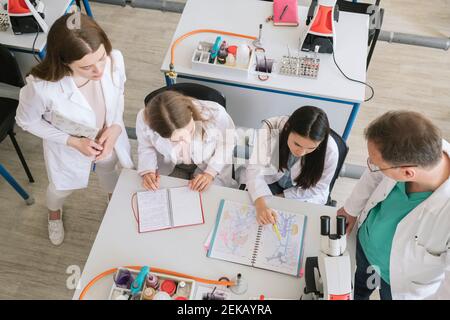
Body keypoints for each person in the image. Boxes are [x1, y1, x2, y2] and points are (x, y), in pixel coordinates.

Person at [16, 13, 134, 246]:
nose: (99, 70)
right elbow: (26, 121)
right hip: (69, 146)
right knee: (61, 189)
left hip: (107, 137)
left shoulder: (114, 59)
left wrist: (117, 126)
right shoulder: (41, 88)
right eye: (87, 67)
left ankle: (114, 203)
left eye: (101, 58)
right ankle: (54, 213)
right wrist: (72, 141)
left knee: (109, 170)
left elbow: (118, 93)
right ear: (64, 61)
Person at [338, 111, 450, 300]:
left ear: (407, 174)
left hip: (399, 283)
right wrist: (351, 209)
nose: (372, 167)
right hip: (364, 250)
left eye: (377, 165)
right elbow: (373, 175)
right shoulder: (417, 150)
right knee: (356, 290)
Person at [244, 106, 339, 225]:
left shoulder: (330, 151)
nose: (301, 152)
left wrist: (282, 197)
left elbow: (318, 188)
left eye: (311, 148)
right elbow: (255, 168)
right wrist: (260, 203)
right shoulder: (271, 129)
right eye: (297, 144)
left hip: (304, 192)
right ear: (288, 128)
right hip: (272, 181)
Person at [136, 90, 236, 191]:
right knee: (165, 194)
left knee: (209, 197)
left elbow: (227, 143)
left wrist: (210, 173)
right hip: (172, 165)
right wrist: (148, 171)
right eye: (176, 140)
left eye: (190, 131)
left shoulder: (216, 114)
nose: (186, 142)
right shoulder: (144, 120)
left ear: (191, 113)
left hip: (208, 163)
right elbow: (146, 146)